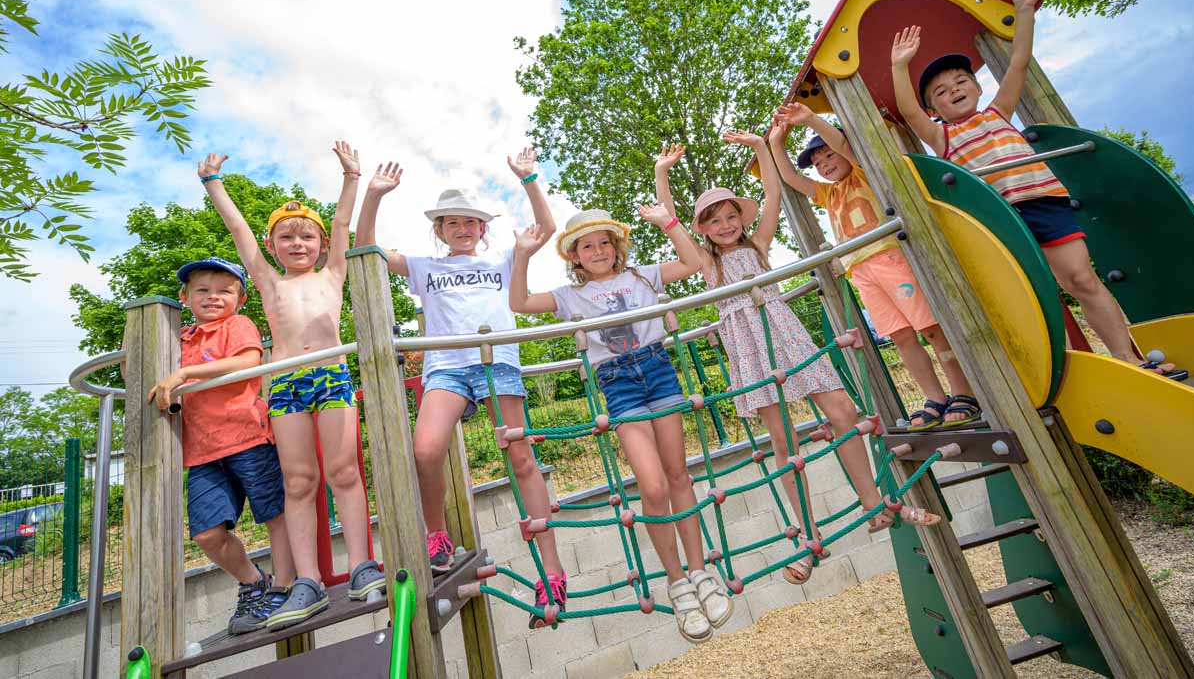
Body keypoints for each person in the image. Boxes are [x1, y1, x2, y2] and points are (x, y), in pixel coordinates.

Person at [658, 135, 942, 582]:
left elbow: (772, 194)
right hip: (747, 345)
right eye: (717, 220)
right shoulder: (706, 265)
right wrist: (662, 173)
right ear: (705, 230)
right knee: (783, 443)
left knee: (844, 410)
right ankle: (808, 539)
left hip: (786, 331)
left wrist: (760, 147)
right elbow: (671, 221)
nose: (728, 224)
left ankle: (873, 502)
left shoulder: (758, 246)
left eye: (733, 215)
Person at [890, 0, 1184, 380]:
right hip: (1003, 218)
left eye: (961, 81)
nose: (954, 90)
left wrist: (1024, 13)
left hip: (1045, 203)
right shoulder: (943, 136)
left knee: (1083, 279)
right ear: (935, 108)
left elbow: (1019, 63)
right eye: (941, 91)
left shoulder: (998, 113)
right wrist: (899, 66)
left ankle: (1127, 358)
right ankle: (1053, 372)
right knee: (1029, 297)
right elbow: (909, 114)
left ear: (976, 86)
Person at [354, 148, 568, 628]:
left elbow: (546, 229)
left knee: (520, 457)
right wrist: (373, 196)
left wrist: (530, 177)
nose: (464, 229)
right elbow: (366, 247)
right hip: (447, 368)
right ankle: (437, 535)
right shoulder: (427, 267)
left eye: (471, 222)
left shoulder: (503, 258)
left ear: (483, 229)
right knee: (425, 451)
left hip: (496, 363)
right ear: (441, 230)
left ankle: (551, 570)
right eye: (453, 223)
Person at [509, 201, 734, 645]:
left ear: (616, 247)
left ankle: (700, 571)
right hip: (618, 382)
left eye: (604, 243)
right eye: (587, 246)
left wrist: (667, 222)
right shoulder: (570, 297)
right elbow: (519, 303)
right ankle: (677, 582)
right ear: (574, 255)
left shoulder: (642, 276)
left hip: (657, 368)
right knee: (651, 486)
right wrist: (522, 255)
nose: (597, 251)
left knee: (678, 475)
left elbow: (694, 262)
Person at [199, 144, 384, 631]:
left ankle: (363, 564)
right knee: (298, 482)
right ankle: (307, 581)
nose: (297, 243)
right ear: (273, 245)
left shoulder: (333, 273)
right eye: (286, 237)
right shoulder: (266, 281)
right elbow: (239, 231)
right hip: (285, 384)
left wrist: (352, 177)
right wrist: (213, 184)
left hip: (330, 375)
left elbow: (343, 225)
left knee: (343, 472)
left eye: (307, 236)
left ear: (321, 245)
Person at [767, 103, 981, 431]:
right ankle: (934, 397)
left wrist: (811, 119)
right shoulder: (827, 193)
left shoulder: (863, 172)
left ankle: (963, 391)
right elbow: (791, 178)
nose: (824, 165)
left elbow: (845, 146)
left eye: (828, 156)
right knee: (901, 337)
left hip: (892, 259)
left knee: (931, 328)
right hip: (861, 272)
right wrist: (776, 144)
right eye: (818, 163)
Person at [144, 257, 295, 634]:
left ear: (239, 299)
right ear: (185, 297)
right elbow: (142, 372)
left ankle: (285, 586)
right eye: (202, 290)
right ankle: (253, 581)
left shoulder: (237, 325)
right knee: (207, 533)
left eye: (224, 291)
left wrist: (185, 373)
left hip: (248, 437)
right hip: (203, 453)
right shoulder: (179, 340)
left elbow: (247, 360)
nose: (213, 297)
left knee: (275, 513)